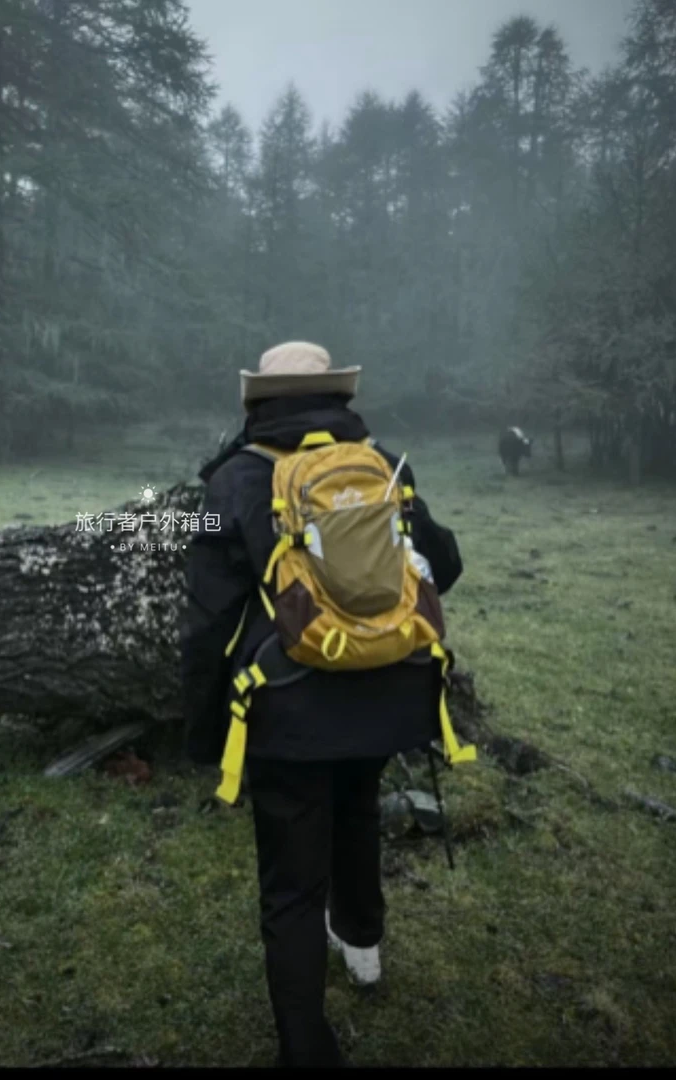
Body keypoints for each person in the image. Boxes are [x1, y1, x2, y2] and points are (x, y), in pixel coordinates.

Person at [180, 342, 463, 1068]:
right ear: (336, 400)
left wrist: (204, 728)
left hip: (287, 705)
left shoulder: (235, 479)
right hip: (388, 691)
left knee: (290, 882)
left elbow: (208, 616)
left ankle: (306, 1048)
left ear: (256, 403)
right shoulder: (381, 463)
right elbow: (447, 563)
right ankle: (363, 945)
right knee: (357, 807)